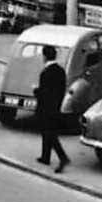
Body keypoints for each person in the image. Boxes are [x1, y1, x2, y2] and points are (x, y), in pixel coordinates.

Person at [34, 45, 70, 173]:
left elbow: (44, 92)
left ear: (44, 56)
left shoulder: (46, 72)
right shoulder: (60, 71)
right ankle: (45, 156)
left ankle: (63, 157)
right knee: (47, 132)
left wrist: (36, 92)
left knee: (49, 134)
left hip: (46, 108)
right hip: (56, 106)